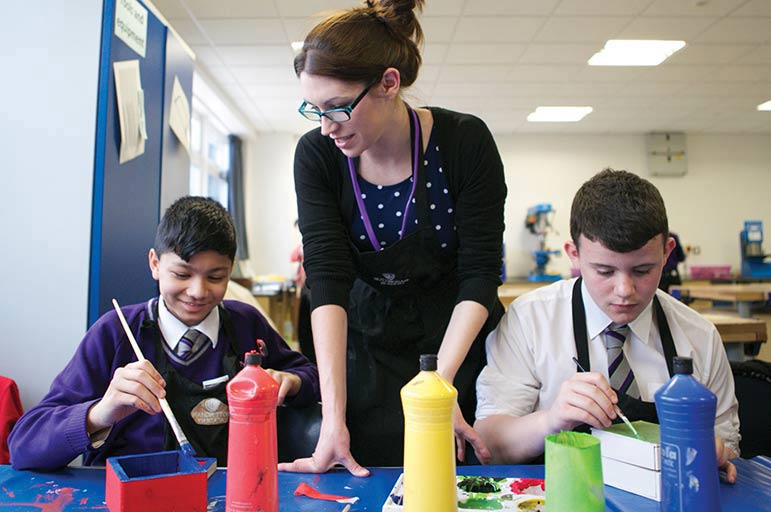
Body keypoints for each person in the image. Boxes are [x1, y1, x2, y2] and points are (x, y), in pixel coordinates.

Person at [282, 0, 506, 475]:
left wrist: (439, 390)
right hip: (368, 342)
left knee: (452, 472)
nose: (327, 128)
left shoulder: (465, 142)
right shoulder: (318, 156)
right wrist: (332, 417)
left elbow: (480, 275)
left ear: (389, 82)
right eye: (314, 110)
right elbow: (326, 280)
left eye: (338, 108)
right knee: (368, 465)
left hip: (454, 340)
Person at [8, 196, 320, 471]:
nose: (197, 292)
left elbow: (311, 377)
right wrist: (100, 413)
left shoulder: (246, 325)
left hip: (229, 493)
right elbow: (24, 446)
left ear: (231, 269)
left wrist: (291, 382)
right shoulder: (114, 332)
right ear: (155, 264)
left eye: (216, 276)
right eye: (182, 274)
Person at [475, 169, 740, 482]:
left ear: (667, 253)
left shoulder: (700, 337)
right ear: (574, 254)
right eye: (604, 271)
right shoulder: (531, 320)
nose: (624, 290)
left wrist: (716, 451)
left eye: (642, 270)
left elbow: (729, 450)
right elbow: (489, 443)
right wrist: (553, 419)